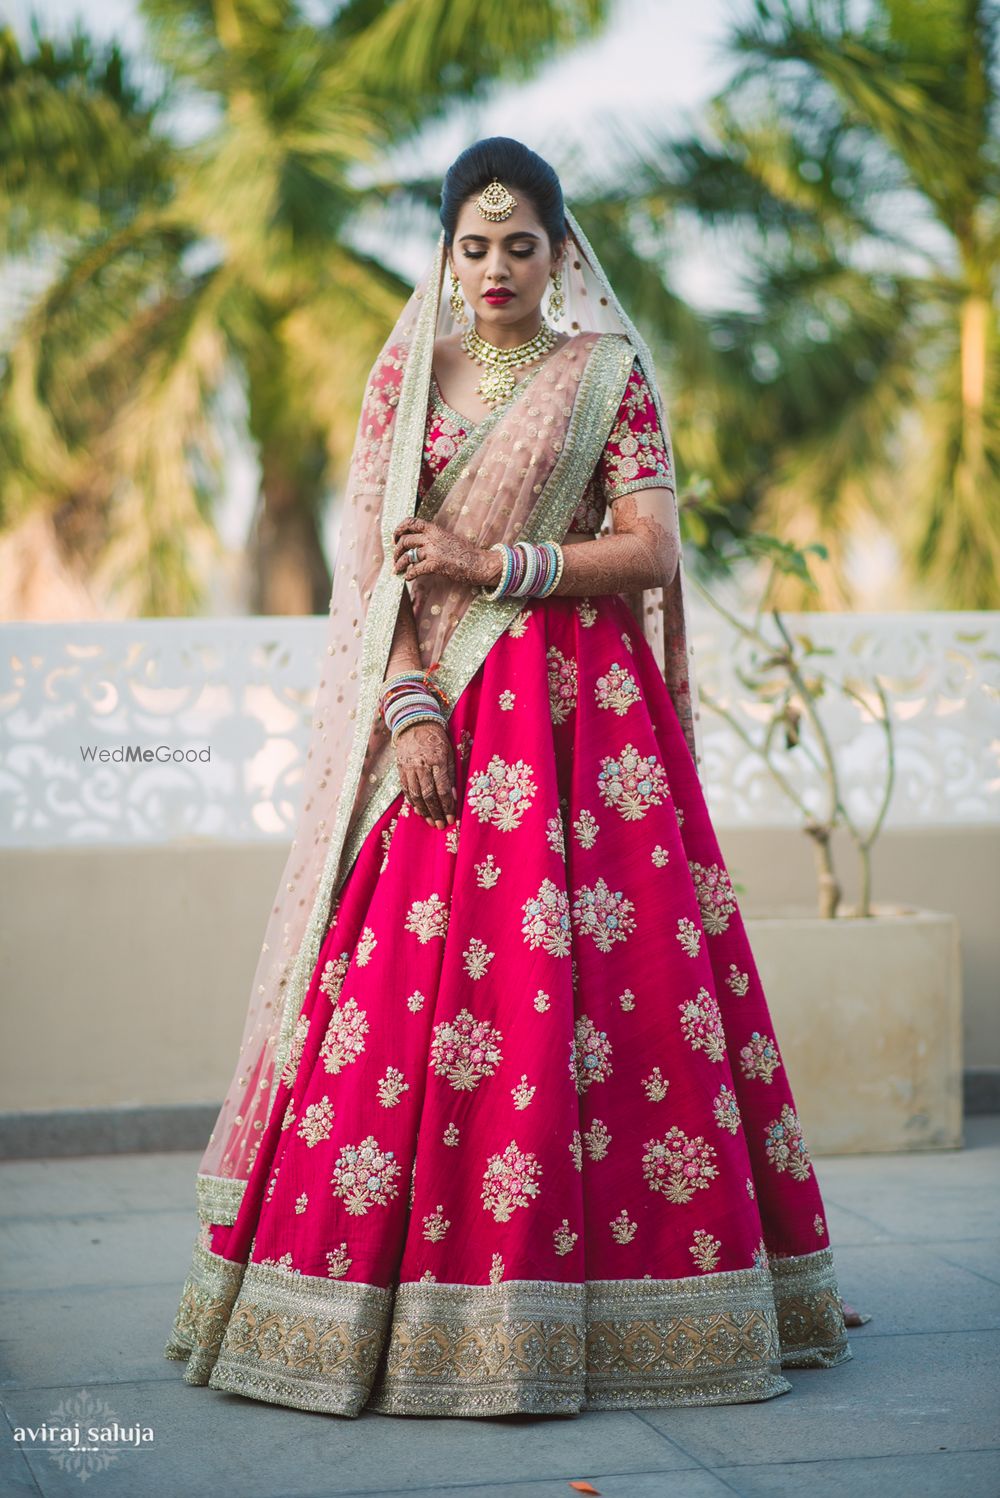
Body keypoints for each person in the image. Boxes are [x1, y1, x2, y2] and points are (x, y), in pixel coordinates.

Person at [164, 136, 868, 1419]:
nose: (495, 266)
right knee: (409, 1008)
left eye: (521, 243)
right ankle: (384, 1315)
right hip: (445, 727)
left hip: (589, 734)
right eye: (473, 244)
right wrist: (413, 709)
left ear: (561, 251)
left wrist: (497, 565)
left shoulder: (605, 374)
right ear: (446, 253)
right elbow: (373, 580)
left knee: (625, 1002)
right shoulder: (404, 384)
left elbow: (651, 552)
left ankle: (645, 1304)